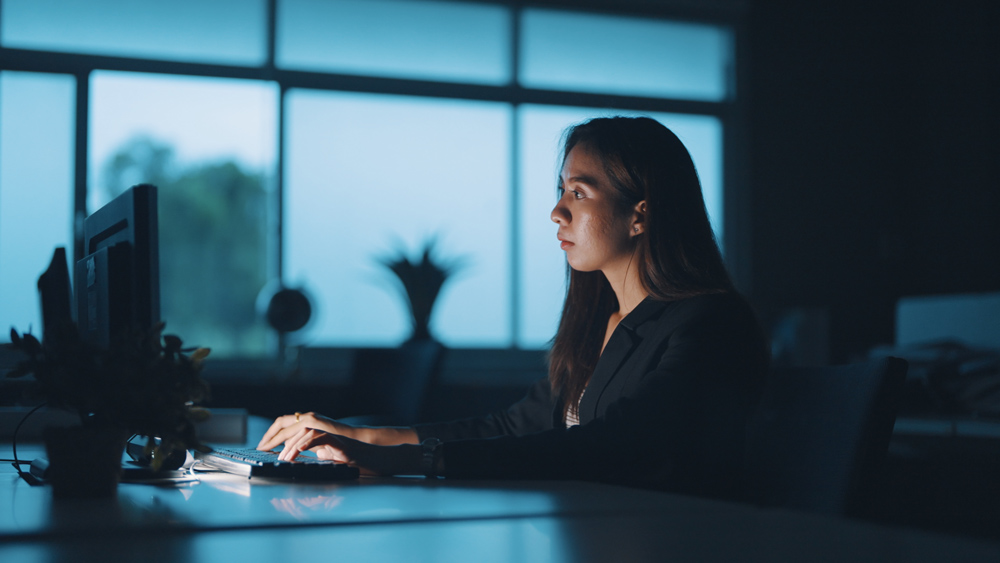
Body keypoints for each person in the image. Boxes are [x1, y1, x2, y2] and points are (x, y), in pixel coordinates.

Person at [257, 116, 770, 499]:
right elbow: (507, 429)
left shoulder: (711, 323)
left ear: (640, 215)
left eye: (578, 192)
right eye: (559, 190)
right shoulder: (596, 324)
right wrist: (356, 436)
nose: (556, 211)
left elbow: (614, 446)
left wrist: (402, 460)